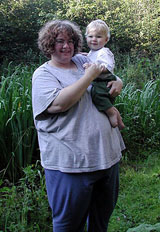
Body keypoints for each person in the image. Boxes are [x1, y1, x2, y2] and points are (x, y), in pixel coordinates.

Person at [32, 19, 125, 232]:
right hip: (70, 167)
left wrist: (118, 80)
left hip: (107, 159)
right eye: (59, 41)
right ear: (48, 44)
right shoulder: (44, 74)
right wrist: (88, 77)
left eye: (70, 41)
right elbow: (59, 104)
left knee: (100, 223)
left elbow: (106, 70)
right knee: (69, 226)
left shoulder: (83, 59)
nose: (66, 46)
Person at [84, 19, 125, 129]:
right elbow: (90, 57)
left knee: (97, 94)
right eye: (90, 36)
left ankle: (111, 113)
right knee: (103, 100)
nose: (94, 39)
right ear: (86, 38)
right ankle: (119, 121)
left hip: (104, 80)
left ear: (106, 39)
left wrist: (95, 68)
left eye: (98, 37)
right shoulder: (93, 52)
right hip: (99, 80)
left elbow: (108, 66)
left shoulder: (104, 52)